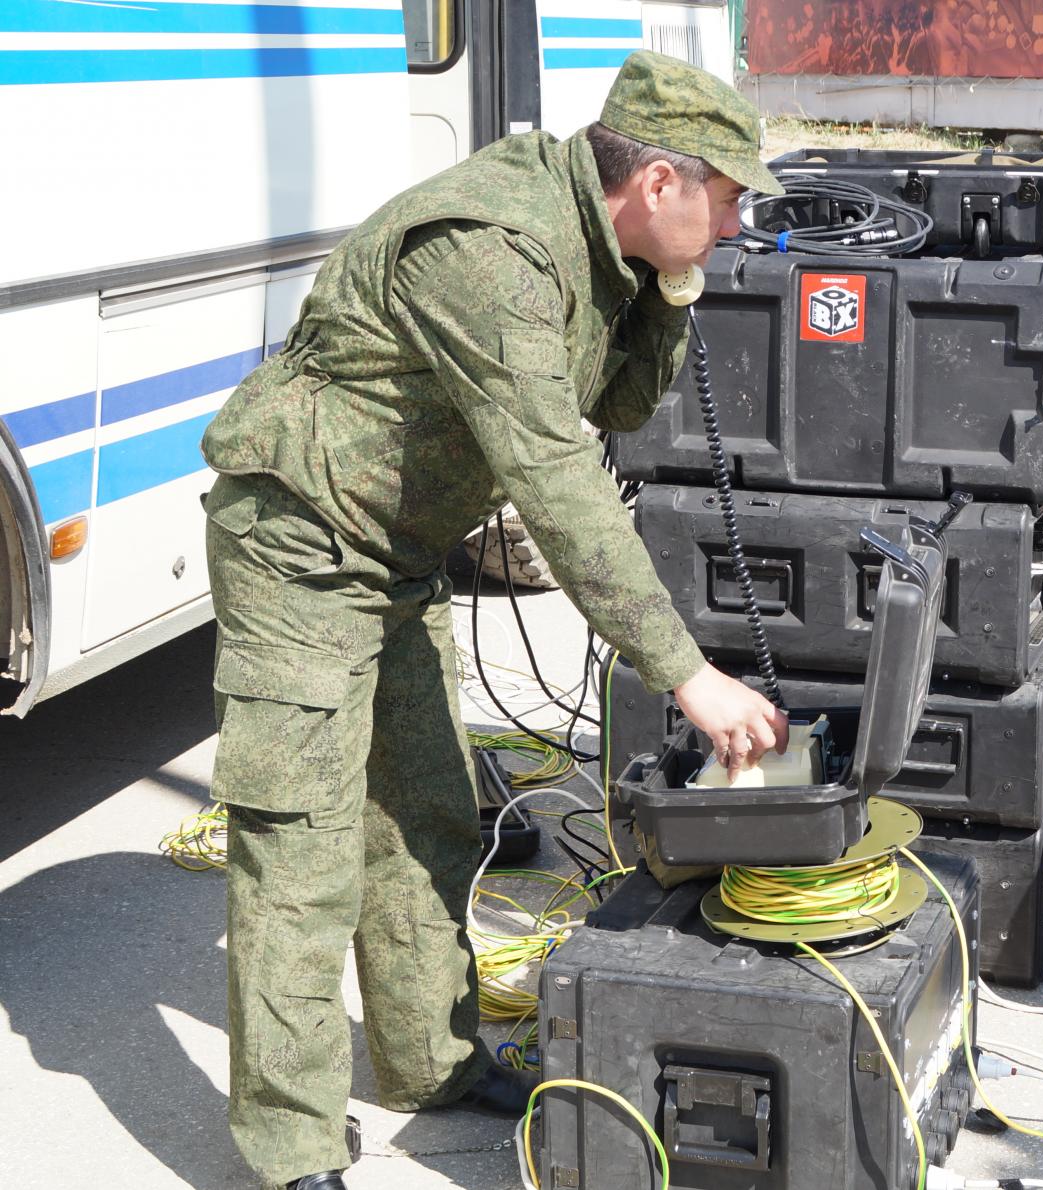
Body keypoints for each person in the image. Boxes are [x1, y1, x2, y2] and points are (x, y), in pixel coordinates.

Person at [198, 52, 788, 1190]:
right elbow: (559, 475)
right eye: (726, 194)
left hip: (398, 549)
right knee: (303, 848)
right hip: (303, 542)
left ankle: (430, 1059)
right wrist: (685, 670)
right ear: (658, 180)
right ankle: (291, 1147)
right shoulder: (492, 246)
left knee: (423, 816)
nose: (737, 216)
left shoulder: (602, 244)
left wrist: (670, 288)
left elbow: (616, 403)